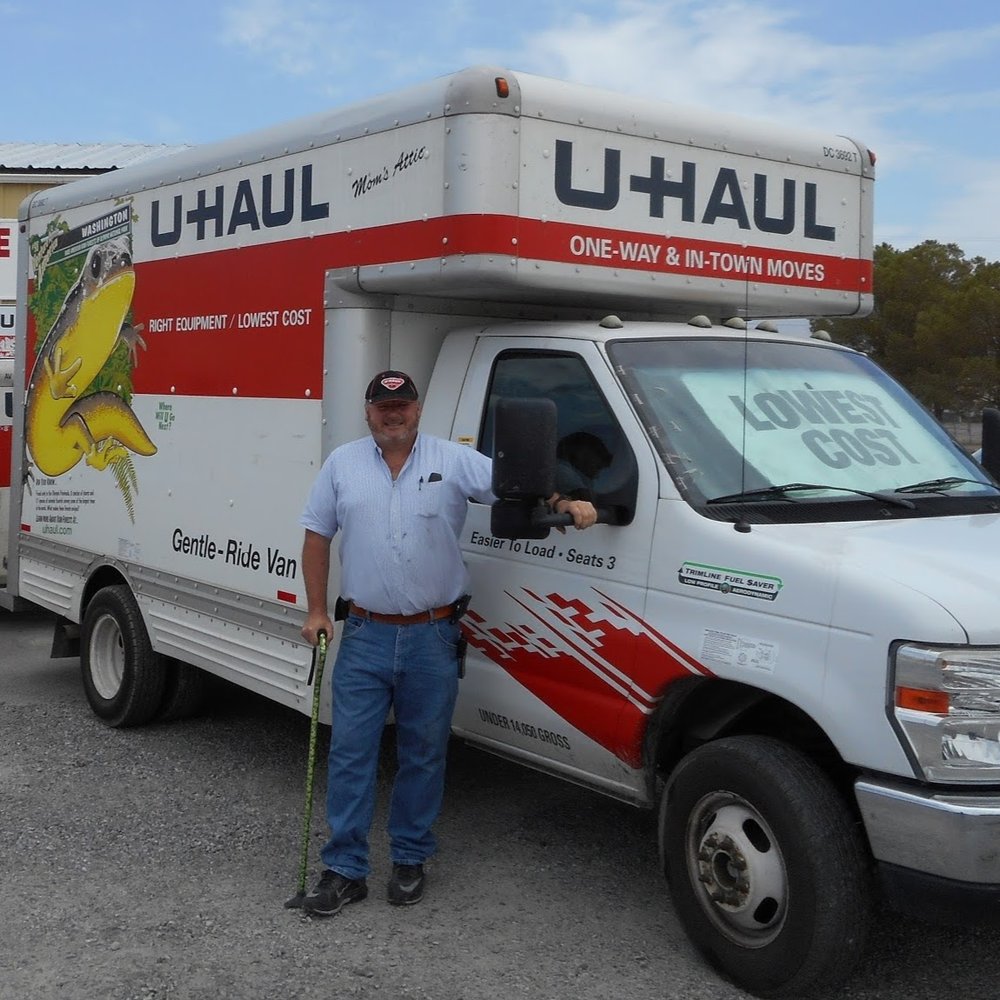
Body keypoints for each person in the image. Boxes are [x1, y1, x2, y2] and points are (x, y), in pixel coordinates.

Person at [298, 370, 597, 917]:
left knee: (424, 754)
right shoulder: (342, 464)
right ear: (368, 412)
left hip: (432, 637)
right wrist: (318, 610)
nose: (393, 414)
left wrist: (566, 498)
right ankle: (344, 869)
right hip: (363, 635)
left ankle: (410, 858)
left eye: (403, 405)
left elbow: (518, 482)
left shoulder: (455, 460)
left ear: (417, 410)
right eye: (383, 406)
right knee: (351, 755)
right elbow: (318, 536)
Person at [556, 430, 613, 502]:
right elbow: (587, 502)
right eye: (597, 467)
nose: (597, 476)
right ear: (582, 455)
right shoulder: (564, 473)